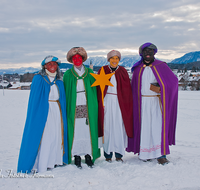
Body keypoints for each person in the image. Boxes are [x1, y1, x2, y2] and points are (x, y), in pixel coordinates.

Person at [126, 43, 178, 165]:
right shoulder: (138, 68)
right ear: (141, 53)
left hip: (156, 101)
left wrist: (161, 87)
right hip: (142, 103)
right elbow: (134, 87)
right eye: (145, 51)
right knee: (144, 127)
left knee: (157, 126)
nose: (147, 53)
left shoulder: (161, 66)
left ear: (154, 52)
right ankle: (145, 153)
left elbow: (173, 82)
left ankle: (161, 155)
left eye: (150, 51)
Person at [17, 55, 68, 173]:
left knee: (56, 136)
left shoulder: (59, 81)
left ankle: (53, 161)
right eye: (49, 64)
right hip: (43, 112)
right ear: (44, 66)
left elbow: (62, 99)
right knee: (45, 137)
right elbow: (35, 99)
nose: (52, 66)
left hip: (57, 111)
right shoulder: (39, 79)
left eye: (54, 64)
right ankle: (41, 163)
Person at [63, 47, 100, 169]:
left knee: (88, 129)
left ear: (83, 59)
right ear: (71, 60)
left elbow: (96, 90)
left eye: (79, 58)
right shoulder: (68, 75)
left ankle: (88, 155)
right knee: (76, 130)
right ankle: (77, 155)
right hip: (74, 106)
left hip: (88, 104)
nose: (77, 60)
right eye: (75, 58)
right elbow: (66, 92)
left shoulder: (90, 73)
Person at [97, 50, 133, 162]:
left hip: (119, 103)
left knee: (118, 127)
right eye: (112, 58)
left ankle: (119, 155)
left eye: (117, 58)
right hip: (106, 102)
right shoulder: (103, 70)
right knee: (107, 127)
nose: (114, 60)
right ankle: (108, 155)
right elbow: (98, 89)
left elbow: (127, 89)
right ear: (108, 60)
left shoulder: (122, 71)